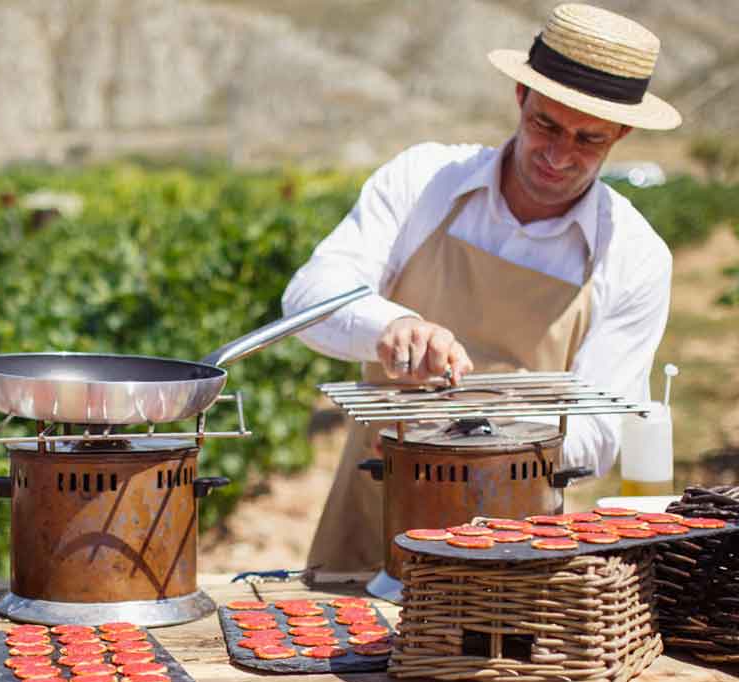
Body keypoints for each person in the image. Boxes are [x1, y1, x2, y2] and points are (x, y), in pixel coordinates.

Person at [282, 3, 682, 574]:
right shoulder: (423, 181)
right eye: (546, 124)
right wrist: (389, 328)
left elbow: (599, 431)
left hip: (520, 536)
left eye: (588, 139)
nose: (558, 155)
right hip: (375, 509)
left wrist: (456, 443)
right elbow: (308, 300)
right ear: (520, 97)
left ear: (622, 133)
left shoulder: (635, 256)